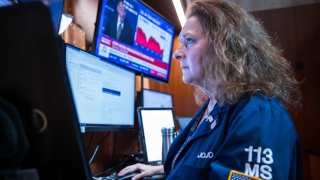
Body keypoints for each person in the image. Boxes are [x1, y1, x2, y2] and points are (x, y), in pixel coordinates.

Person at [118, 0, 302, 179]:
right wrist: (164, 169)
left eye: (189, 41)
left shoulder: (260, 115)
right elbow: (206, 167)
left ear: (225, 46)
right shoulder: (214, 106)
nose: (177, 53)